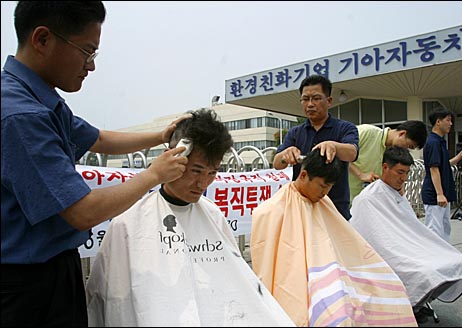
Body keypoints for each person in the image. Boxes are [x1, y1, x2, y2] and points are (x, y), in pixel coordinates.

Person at [1, 2, 191, 326]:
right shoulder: (21, 116)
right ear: (42, 39)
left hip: (55, 269)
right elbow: (82, 211)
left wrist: (161, 135)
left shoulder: (43, 101)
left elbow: (98, 139)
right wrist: (153, 175)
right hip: (26, 286)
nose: (90, 66)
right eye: (87, 52)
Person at [85, 108, 295, 327]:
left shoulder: (213, 215)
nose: (202, 184)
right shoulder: (128, 224)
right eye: (196, 171)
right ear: (173, 157)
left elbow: (237, 283)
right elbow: (112, 302)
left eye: (212, 173)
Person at [252, 148, 417, 327]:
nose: (325, 192)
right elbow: (270, 265)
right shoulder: (270, 211)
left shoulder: (324, 203)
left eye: (330, 187)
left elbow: (347, 243)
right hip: (299, 282)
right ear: (303, 175)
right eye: (323, 186)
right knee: (337, 315)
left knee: (393, 291)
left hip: (333, 272)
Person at [350, 147, 462, 323]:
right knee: (425, 271)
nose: (404, 178)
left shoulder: (397, 194)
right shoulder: (366, 199)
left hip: (407, 246)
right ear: (385, 167)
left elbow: (410, 226)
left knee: (455, 259)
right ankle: (411, 306)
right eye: (400, 172)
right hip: (389, 252)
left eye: (407, 173)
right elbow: (370, 236)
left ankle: (418, 303)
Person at [273, 74, 359, 220]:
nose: (310, 104)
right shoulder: (295, 132)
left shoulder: (345, 128)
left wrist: (333, 146)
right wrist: (285, 155)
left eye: (316, 98)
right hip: (301, 208)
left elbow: (352, 152)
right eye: (305, 99)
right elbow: (277, 163)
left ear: (329, 101)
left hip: (335, 209)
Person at [421, 107, 462, 242]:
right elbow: (433, 169)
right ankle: (433, 260)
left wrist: (460, 156)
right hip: (435, 194)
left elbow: (444, 164)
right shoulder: (433, 142)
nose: (450, 123)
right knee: (435, 232)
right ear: (438, 122)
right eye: (448, 120)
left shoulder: (439, 141)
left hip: (442, 193)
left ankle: (444, 259)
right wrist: (439, 193)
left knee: (444, 230)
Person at [348, 121, 427, 203]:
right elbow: (337, 153)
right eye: (408, 146)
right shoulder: (367, 132)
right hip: (341, 199)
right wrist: (360, 174)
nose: (406, 150)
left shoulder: (393, 154)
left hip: (364, 203)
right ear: (402, 134)